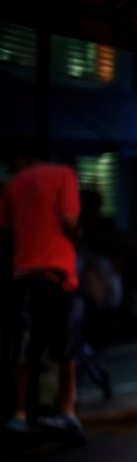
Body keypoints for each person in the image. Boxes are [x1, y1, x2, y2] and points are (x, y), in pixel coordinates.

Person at [0, 141, 83, 434]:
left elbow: (6, 230)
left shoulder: (13, 184)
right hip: (55, 275)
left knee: (24, 347)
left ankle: (20, 413)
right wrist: (78, 236)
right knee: (65, 347)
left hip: (22, 276)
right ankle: (67, 410)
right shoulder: (64, 174)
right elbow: (69, 218)